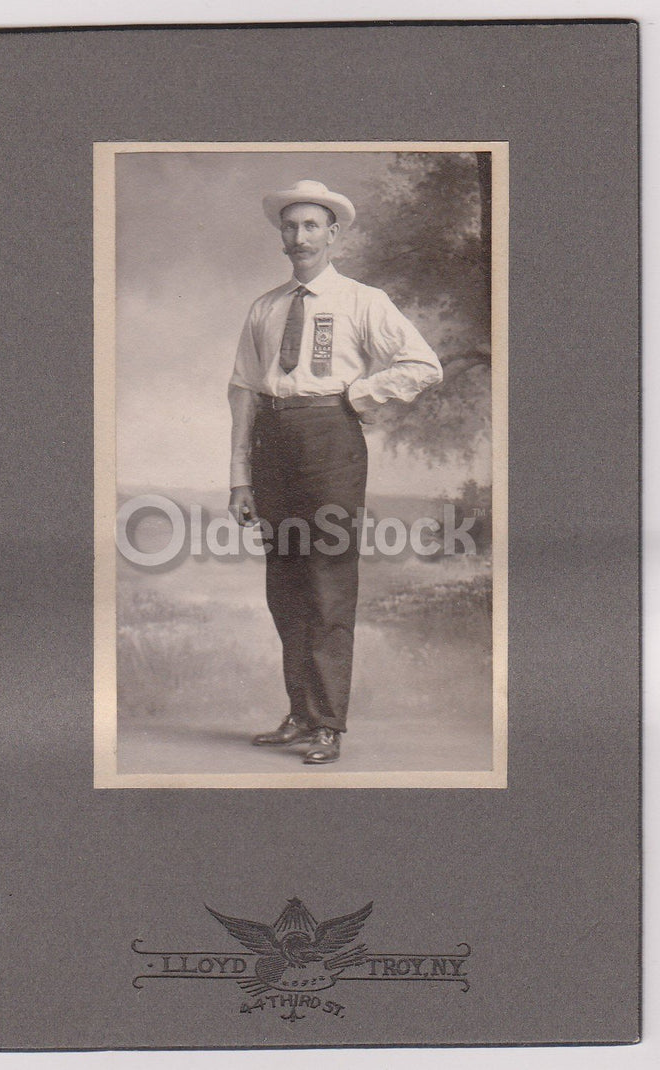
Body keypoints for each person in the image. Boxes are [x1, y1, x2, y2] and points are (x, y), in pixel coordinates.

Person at [228, 179, 442, 764]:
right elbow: (244, 388)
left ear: (333, 234)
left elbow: (423, 364)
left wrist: (360, 397)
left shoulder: (362, 300)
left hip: (330, 443)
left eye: (311, 226)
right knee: (285, 585)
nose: (299, 237)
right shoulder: (266, 307)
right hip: (273, 442)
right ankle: (299, 715)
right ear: (281, 237)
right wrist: (239, 477)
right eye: (290, 227)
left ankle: (328, 724)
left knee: (326, 581)